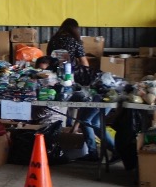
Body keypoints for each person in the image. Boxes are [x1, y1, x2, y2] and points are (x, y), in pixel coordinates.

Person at [46, 18, 109, 158]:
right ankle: (76, 136)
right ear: (75, 29)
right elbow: (84, 63)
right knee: (81, 107)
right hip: (72, 79)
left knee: (66, 106)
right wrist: (87, 75)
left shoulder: (53, 40)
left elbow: (48, 59)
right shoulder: (75, 41)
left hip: (54, 80)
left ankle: (67, 133)